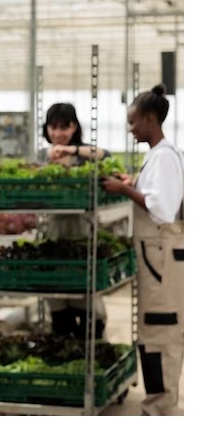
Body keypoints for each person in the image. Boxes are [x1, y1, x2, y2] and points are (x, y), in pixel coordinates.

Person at [102, 84, 183, 416]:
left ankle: (160, 407)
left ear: (150, 119)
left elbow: (161, 209)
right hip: (158, 255)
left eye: (134, 122)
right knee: (152, 332)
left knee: (160, 332)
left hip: (160, 256)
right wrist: (133, 182)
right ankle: (156, 404)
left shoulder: (163, 156)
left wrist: (123, 188)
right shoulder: (160, 155)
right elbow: (157, 193)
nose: (131, 129)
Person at [38, 103, 110, 339]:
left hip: (83, 237)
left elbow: (107, 157)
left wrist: (72, 151)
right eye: (53, 127)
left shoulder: (84, 155)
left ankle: (90, 355)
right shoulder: (43, 158)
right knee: (59, 310)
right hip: (53, 236)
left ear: (74, 128)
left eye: (64, 127)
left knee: (88, 308)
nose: (58, 133)